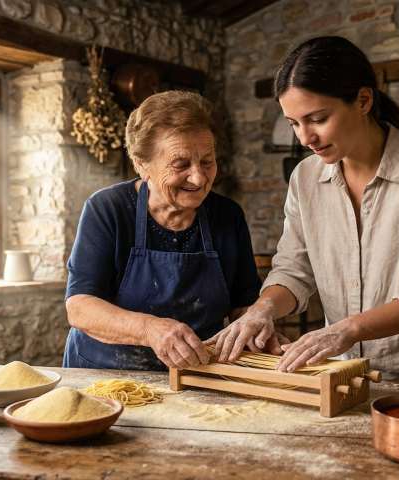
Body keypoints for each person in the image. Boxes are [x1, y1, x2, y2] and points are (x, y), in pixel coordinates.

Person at [209, 36, 399, 380]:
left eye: (318, 119)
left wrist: (347, 329)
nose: (304, 138)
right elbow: (295, 269)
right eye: (294, 123)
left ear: (363, 100)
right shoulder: (305, 177)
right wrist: (261, 310)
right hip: (345, 376)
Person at [63, 90, 266, 371]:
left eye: (207, 161)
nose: (198, 177)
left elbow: (243, 303)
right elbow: (80, 307)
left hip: (197, 376)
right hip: (107, 374)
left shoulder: (227, 215)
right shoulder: (108, 208)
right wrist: (150, 329)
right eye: (181, 164)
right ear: (141, 164)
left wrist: (255, 329)